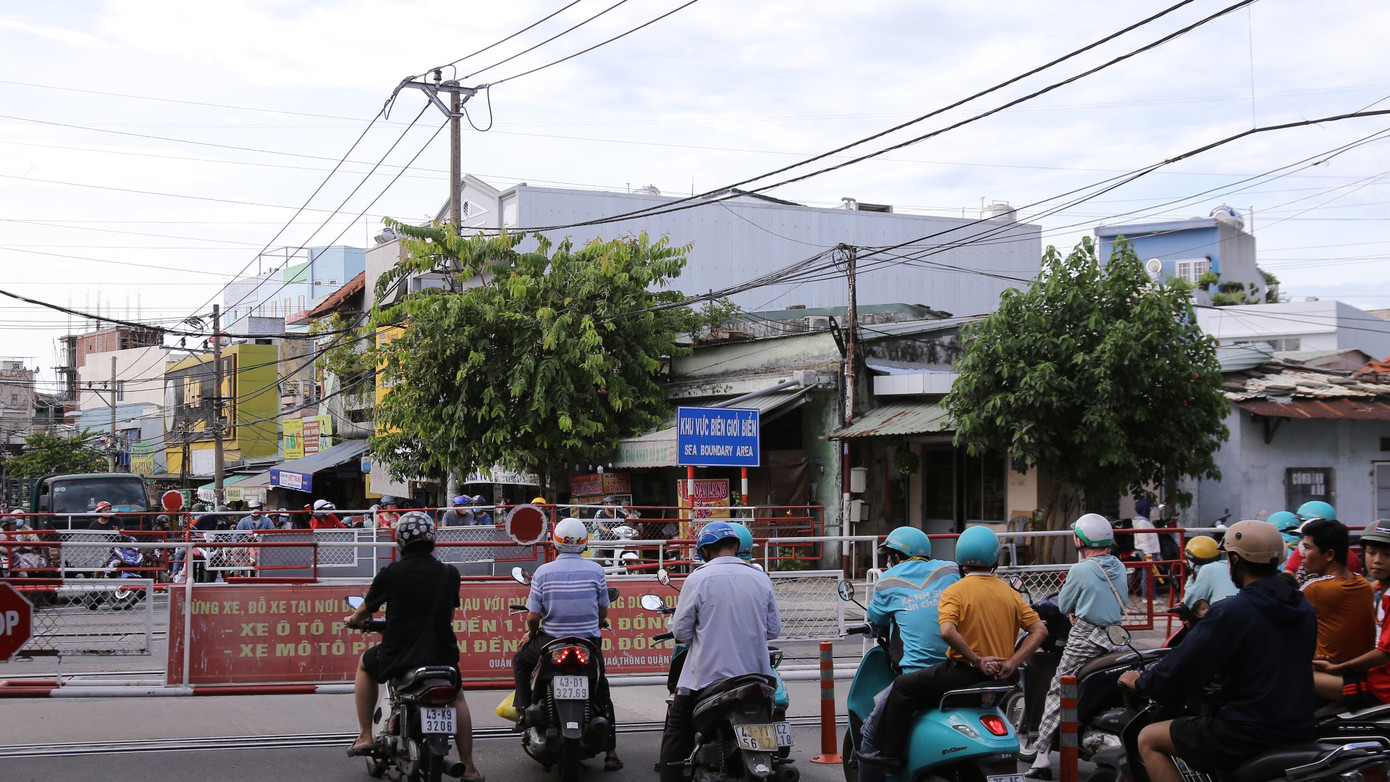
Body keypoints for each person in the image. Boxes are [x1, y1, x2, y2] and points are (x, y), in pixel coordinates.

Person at [1119, 521, 1316, 782]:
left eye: (1228, 558)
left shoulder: (1233, 611)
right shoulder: (1302, 605)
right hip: (1299, 724)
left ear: (1235, 560)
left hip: (1248, 730)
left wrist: (1142, 682)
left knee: (1149, 738)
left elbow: (1184, 665)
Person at [861, 526, 1047, 769]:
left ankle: (889, 754)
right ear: (995, 560)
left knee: (902, 687)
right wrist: (1012, 661)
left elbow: (947, 631)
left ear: (961, 559)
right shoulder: (1006, 592)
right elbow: (1040, 630)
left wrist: (975, 659)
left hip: (966, 672)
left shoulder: (955, 590)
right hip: (1004, 676)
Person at [343, 512, 481, 780]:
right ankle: (470, 766)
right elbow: (447, 616)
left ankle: (364, 735)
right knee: (458, 697)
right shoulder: (449, 574)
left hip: (400, 654)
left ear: (400, 541)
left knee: (364, 664)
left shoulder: (391, 573)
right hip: (442, 655)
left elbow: (364, 610)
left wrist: (353, 620)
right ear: (432, 539)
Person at [658, 521, 781, 782]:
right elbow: (773, 630)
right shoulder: (761, 578)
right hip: (757, 677)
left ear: (703, 552)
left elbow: (681, 633)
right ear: (736, 547)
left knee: (676, 728)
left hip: (707, 679)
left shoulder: (698, 579)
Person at [511, 517, 622, 771]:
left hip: (551, 643)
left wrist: (531, 633)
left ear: (556, 543)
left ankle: (523, 711)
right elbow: (602, 612)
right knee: (602, 690)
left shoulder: (543, 572)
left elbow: (532, 617)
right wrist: (596, 622)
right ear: (584, 543)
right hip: (588, 643)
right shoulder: (596, 571)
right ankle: (611, 754)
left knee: (520, 660)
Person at [1026, 515, 1128, 779]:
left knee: (1059, 688)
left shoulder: (1080, 569)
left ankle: (1041, 758)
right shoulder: (1118, 565)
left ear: (1079, 540)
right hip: (1116, 636)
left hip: (1085, 636)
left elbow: (1062, 605)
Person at [857, 526, 960, 782]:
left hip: (917, 676)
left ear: (895, 556)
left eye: (888, 556)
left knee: (870, 734)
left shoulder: (888, 582)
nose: (887, 562)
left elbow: (875, 619)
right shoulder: (950, 570)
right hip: (960, 669)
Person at [1299, 518, 1374, 663]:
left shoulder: (1315, 588)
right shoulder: (1364, 584)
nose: (1302, 554)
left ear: (1329, 555)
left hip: (1333, 674)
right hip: (1362, 669)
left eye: (1307, 548)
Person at [1280, 503, 1364, 582]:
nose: (1302, 553)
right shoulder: (1353, 558)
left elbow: (1288, 575)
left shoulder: (1314, 588)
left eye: (1303, 522)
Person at [1182, 535, 1238, 616]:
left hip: (1224, 620)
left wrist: (1190, 580)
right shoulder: (1228, 565)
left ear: (1191, 561)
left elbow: (1191, 602)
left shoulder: (1207, 569)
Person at [1, 510, 44, 577]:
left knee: (23, 573)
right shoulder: (1, 533)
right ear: (6, 526)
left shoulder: (19, 532)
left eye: (21, 518)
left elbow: (19, 544)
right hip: (3, 556)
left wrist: (22, 545)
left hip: (17, 555)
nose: (16, 525)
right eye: (13, 524)